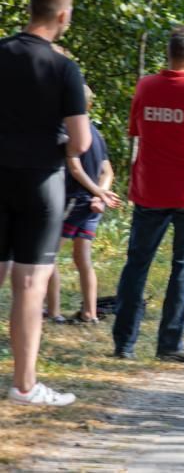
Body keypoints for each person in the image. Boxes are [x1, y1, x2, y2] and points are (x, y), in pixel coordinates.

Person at [111, 26, 184, 363]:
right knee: (183, 268)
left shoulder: (146, 86)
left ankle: (124, 344)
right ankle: (169, 344)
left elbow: (135, 128)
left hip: (150, 190)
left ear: (169, 54)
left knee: (137, 264)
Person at [1, 0, 90, 406]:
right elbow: (82, 141)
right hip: (40, 180)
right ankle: (23, 385)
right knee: (30, 282)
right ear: (63, 16)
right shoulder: (63, 67)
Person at [46, 85, 122, 325]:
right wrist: (100, 195)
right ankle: (90, 313)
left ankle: (54, 311)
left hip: (75, 202)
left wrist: (97, 193)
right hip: (92, 205)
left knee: (48, 256)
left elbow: (75, 169)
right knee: (83, 258)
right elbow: (107, 171)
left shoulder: (70, 132)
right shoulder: (96, 133)